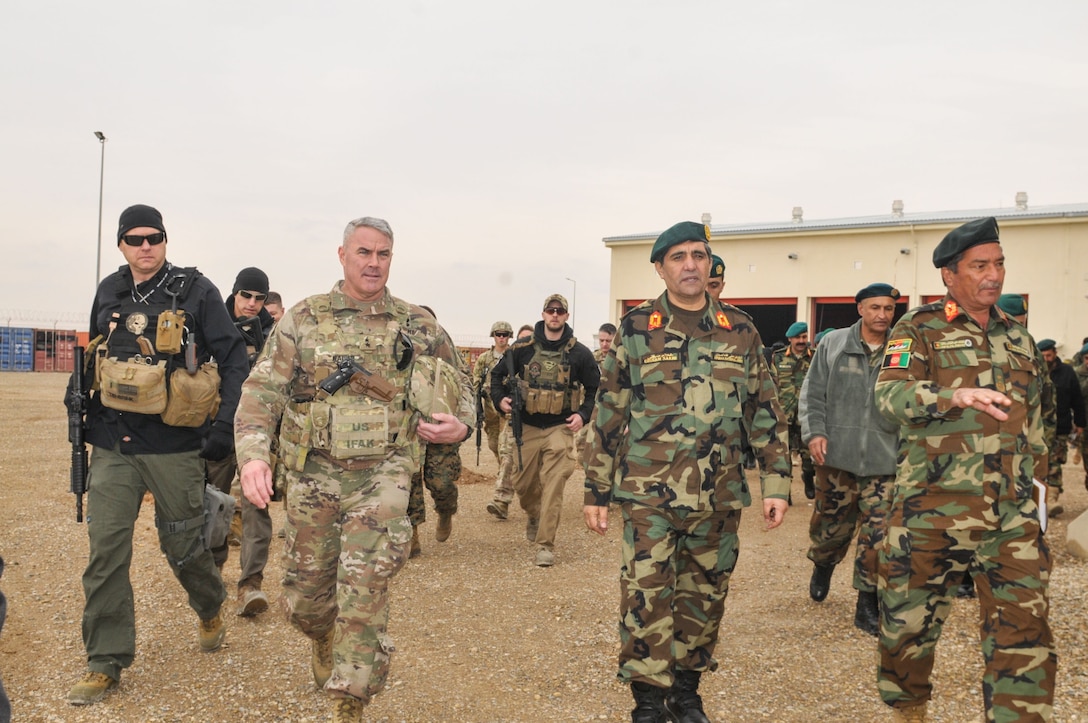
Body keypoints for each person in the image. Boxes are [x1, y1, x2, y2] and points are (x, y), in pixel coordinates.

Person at [234, 216, 474, 722]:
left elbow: (464, 385)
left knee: (365, 585)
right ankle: (322, 635)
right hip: (313, 474)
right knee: (306, 598)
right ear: (342, 255)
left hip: (383, 474)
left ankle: (350, 699)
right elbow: (261, 393)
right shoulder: (302, 318)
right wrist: (254, 454)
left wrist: (462, 425)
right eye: (363, 252)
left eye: (383, 254)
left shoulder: (418, 326)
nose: (373, 262)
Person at [583, 221, 790, 723]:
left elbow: (765, 409)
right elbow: (608, 412)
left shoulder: (740, 330)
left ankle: (686, 690)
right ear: (661, 267)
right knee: (646, 595)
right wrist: (596, 489)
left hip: (719, 494)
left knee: (706, 594)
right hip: (647, 493)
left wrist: (777, 481)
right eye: (678, 257)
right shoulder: (635, 330)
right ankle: (648, 701)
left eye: (699, 255)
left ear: (709, 264)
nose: (690, 264)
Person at [66, 204, 249, 706]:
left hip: (173, 446)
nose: (145, 246)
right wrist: (78, 409)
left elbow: (234, 359)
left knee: (184, 548)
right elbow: (93, 357)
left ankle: (210, 605)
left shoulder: (197, 291)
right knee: (105, 553)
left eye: (154, 237)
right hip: (113, 443)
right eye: (134, 238)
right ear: (121, 244)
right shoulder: (109, 290)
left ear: (165, 240)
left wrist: (224, 426)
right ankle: (105, 660)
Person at [874, 217, 1055, 722]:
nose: (993, 275)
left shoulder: (1019, 339)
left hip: (1011, 515)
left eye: (998, 264)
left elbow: (1036, 424)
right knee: (907, 630)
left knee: (1026, 633)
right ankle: (909, 712)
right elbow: (888, 399)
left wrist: (1039, 493)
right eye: (980, 266)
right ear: (949, 276)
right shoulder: (916, 330)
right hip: (931, 510)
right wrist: (952, 395)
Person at [799, 283, 901, 636]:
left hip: (884, 459)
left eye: (888, 309)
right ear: (860, 309)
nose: (882, 316)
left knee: (879, 534)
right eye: (875, 308)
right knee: (832, 527)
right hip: (836, 456)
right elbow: (812, 393)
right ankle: (823, 563)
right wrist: (814, 433)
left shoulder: (903, 348)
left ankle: (867, 603)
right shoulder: (833, 343)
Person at [491, 293, 599, 567]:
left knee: (553, 485)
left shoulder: (581, 354)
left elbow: (595, 389)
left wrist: (583, 415)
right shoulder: (521, 348)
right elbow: (496, 377)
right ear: (543, 314)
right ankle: (533, 514)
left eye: (560, 311)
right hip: (526, 426)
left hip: (559, 428)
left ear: (566, 316)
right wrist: (500, 399)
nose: (554, 314)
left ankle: (545, 545)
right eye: (550, 310)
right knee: (523, 485)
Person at [205, 267, 277, 616]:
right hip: (218, 428)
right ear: (233, 293)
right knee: (214, 507)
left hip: (258, 434)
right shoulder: (213, 326)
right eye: (245, 296)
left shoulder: (273, 335)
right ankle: (213, 577)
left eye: (258, 298)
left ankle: (250, 585)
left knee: (257, 508)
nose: (251, 304)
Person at [406, 306, 465, 556]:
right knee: (408, 479)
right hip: (410, 422)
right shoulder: (401, 345)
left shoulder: (443, 343)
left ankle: (446, 510)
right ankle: (412, 534)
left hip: (442, 421)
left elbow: (462, 378)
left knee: (440, 481)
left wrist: (463, 421)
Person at [1037, 338, 1084, 517]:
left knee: (1055, 463)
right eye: (1043, 356)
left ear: (1055, 354)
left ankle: (1051, 501)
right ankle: (1037, 501)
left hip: (1060, 427)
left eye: (1049, 355)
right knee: (1038, 462)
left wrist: (1080, 423)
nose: (1046, 359)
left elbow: (1077, 399)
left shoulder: (1067, 372)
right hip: (1038, 428)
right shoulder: (1036, 371)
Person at [474, 321, 514, 518]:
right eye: (499, 334)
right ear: (493, 336)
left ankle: (502, 496)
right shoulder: (484, 359)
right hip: (490, 413)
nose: (502, 338)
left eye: (505, 334)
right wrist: (476, 409)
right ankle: (506, 475)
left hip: (506, 412)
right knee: (493, 446)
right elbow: (475, 384)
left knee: (505, 450)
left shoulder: (513, 356)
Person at [771, 321, 816, 499]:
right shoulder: (779, 357)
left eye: (804, 337)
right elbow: (772, 384)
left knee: (808, 455)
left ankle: (808, 477)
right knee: (784, 454)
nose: (801, 341)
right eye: (797, 337)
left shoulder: (815, 357)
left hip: (807, 414)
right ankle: (785, 491)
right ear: (790, 338)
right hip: (785, 414)